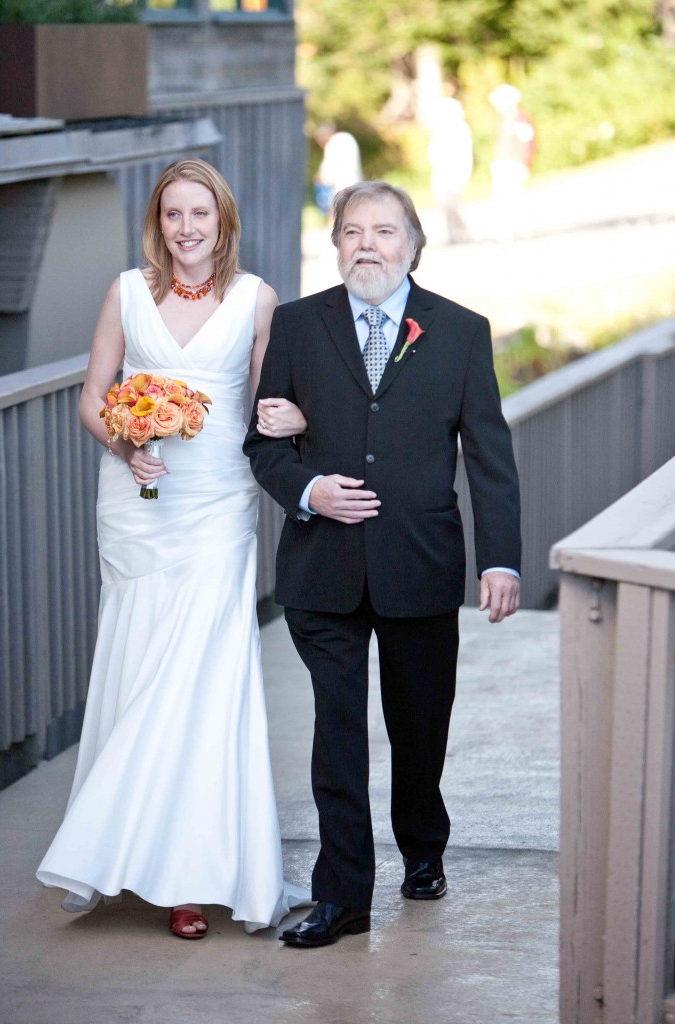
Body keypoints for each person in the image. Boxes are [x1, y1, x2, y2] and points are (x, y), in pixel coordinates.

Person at [37, 158, 312, 938]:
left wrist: (295, 423)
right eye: (172, 215)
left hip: (218, 505)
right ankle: (122, 846)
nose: (186, 229)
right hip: (135, 504)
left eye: (201, 214)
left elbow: (267, 408)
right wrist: (126, 445)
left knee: (202, 677)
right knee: (141, 662)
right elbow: (93, 399)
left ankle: (188, 874)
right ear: (157, 223)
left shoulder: (258, 301)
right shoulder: (126, 292)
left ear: (223, 220)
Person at [244, 180, 521, 949]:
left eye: (384, 231)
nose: (367, 243)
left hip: (421, 562)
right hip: (322, 571)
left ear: (413, 246)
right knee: (337, 734)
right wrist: (308, 490)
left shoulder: (462, 332)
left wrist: (501, 560)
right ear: (334, 244)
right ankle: (343, 898)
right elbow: (263, 441)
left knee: (419, 725)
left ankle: (423, 844)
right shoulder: (297, 327)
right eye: (351, 231)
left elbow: (489, 457)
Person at [489, 83, 537, 241]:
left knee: (515, 197)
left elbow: (528, 144)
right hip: (502, 162)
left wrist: (525, 163)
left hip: (515, 163)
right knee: (502, 198)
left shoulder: (521, 119)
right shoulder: (503, 120)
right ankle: (505, 231)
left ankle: (521, 229)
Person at [427, 93, 473, 244]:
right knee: (443, 204)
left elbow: (466, 154)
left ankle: (462, 230)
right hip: (441, 172)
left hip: (455, 172)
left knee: (453, 204)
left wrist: (464, 174)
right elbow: (433, 152)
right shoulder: (439, 130)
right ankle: (451, 233)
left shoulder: (461, 129)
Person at [313, 121, 363, 217]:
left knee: (337, 217)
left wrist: (319, 178)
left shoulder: (333, 143)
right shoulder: (348, 138)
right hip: (355, 184)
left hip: (339, 188)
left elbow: (328, 173)